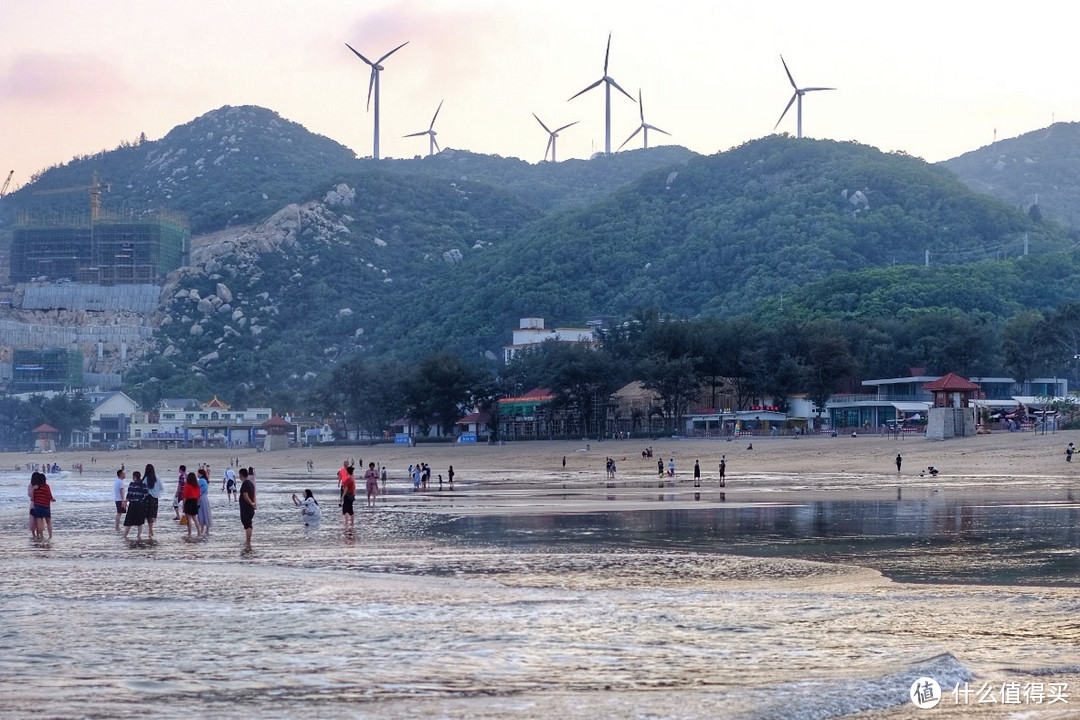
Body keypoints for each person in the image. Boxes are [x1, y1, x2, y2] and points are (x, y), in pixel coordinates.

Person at [123, 470, 148, 540]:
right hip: (140, 504)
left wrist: (125, 502)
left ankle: (125, 535)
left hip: (133, 504)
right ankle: (138, 536)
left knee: (129, 521)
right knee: (140, 522)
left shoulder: (132, 484)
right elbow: (146, 494)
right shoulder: (143, 485)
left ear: (134, 477)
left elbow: (129, 495)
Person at [30, 472, 55, 540]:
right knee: (49, 522)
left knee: (39, 522)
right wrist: (52, 499)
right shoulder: (46, 486)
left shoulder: (35, 488)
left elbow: (32, 498)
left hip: (37, 506)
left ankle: (41, 536)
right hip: (46, 506)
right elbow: (49, 495)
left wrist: (33, 490)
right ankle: (50, 536)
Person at [238, 467, 256, 548]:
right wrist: (254, 504)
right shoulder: (251, 483)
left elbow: (246, 496)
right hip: (250, 508)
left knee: (247, 525)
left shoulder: (245, 484)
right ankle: (248, 541)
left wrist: (251, 504)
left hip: (246, 508)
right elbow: (254, 495)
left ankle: (248, 542)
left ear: (241, 475)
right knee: (248, 524)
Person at [143, 463, 161, 539]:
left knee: (147, 515)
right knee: (152, 514)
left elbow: (143, 489)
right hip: (155, 499)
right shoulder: (157, 478)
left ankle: (150, 530)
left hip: (147, 498)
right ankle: (151, 529)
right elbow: (161, 488)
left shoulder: (145, 479)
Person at [182, 472, 203, 537]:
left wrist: (183, 505)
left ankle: (189, 533)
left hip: (188, 502)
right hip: (195, 502)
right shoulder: (197, 486)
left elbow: (185, 496)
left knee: (189, 519)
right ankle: (199, 532)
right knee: (194, 518)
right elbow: (199, 496)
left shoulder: (187, 485)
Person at [197, 468, 213, 536]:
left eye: (198, 473)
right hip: (205, 498)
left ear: (201, 474)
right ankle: (207, 530)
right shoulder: (205, 480)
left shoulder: (200, 481)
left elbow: (196, 489)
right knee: (206, 513)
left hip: (201, 498)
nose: (197, 474)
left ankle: (202, 529)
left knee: (201, 513)